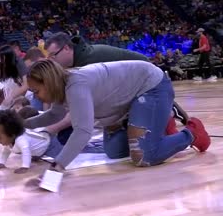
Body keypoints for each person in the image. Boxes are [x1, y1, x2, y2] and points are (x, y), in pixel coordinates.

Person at [26, 60, 210, 173]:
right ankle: (159, 123)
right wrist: (24, 123)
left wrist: (58, 166)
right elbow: (55, 114)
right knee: (114, 151)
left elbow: (83, 131)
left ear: (49, 83)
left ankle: (192, 132)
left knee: (144, 156)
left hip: (152, 87)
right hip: (129, 102)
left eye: (36, 91)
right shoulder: (62, 86)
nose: (35, 96)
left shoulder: (76, 86)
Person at [28, 33, 189, 140]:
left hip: (146, 80)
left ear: (68, 49)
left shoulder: (87, 64)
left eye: (53, 56)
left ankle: (169, 114)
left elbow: (80, 111)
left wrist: (49, 129)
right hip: (133, 81)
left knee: (146, 143)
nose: (52, 61)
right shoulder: (76, 63)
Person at [0, 109, 62, 174]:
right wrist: (1, 163)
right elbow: (5, 152)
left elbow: (26, 151)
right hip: (40, 149)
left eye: (0, 137)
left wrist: (24, 167)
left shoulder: (21, 140)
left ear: (12, 135)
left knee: (59, 163)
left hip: (50, 145)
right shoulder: (9, 142)